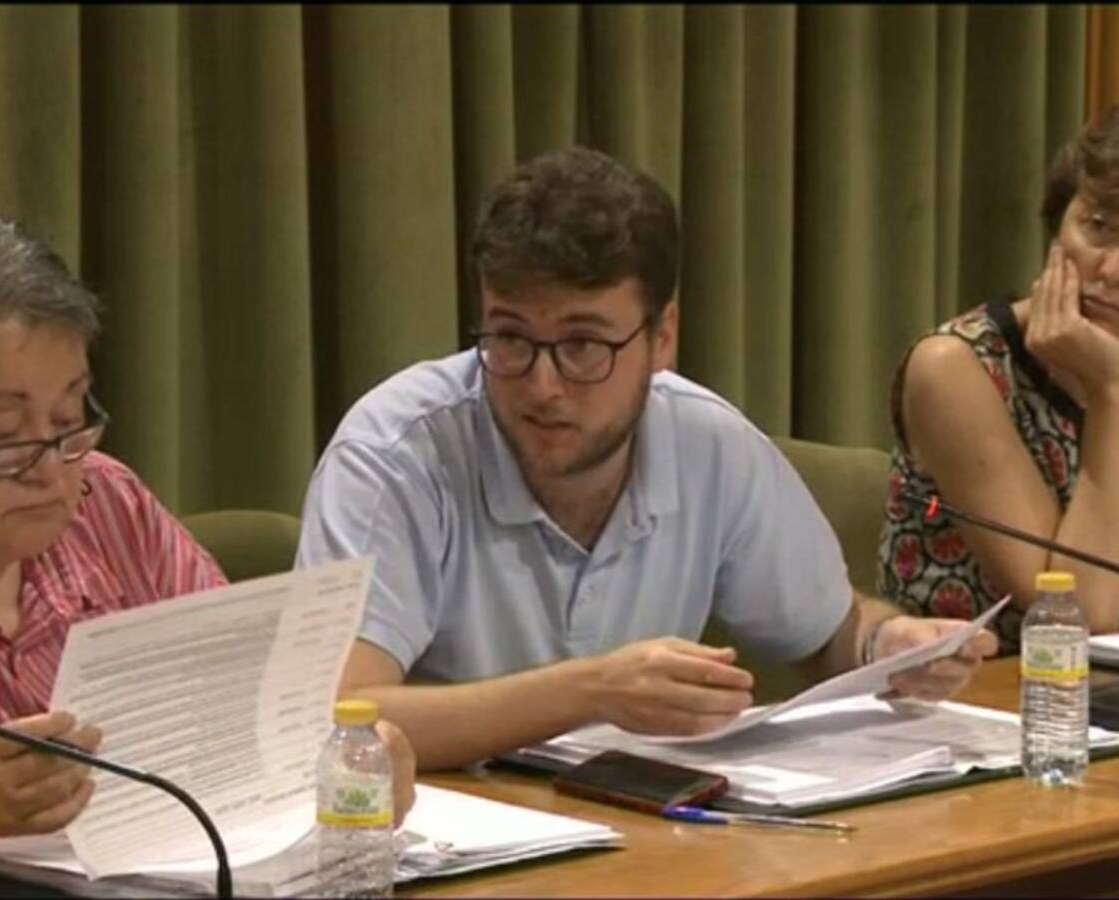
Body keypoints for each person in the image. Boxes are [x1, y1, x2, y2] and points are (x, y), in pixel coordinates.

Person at [297, 146, 999, 772]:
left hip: (642, 832)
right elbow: (336, 718)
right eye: (510, 339)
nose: (542, 385)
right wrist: (593, 690)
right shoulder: (395, 454)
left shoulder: (708, 443)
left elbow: (830, 633)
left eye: (583, 346)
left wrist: (888, 644)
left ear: (662, 337)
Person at [0, 203, 415, 862]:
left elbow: (250, 712)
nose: (51, 469)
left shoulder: (107, 506)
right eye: (5, 435)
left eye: (67, 418)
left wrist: (341, 757)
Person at [879, 107, 1119, 655]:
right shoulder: (955, 367)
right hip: (974, 691)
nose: (1110, 270)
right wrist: (1110, 394)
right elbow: (1077, 616)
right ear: (1057, 225)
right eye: (1099, 227)